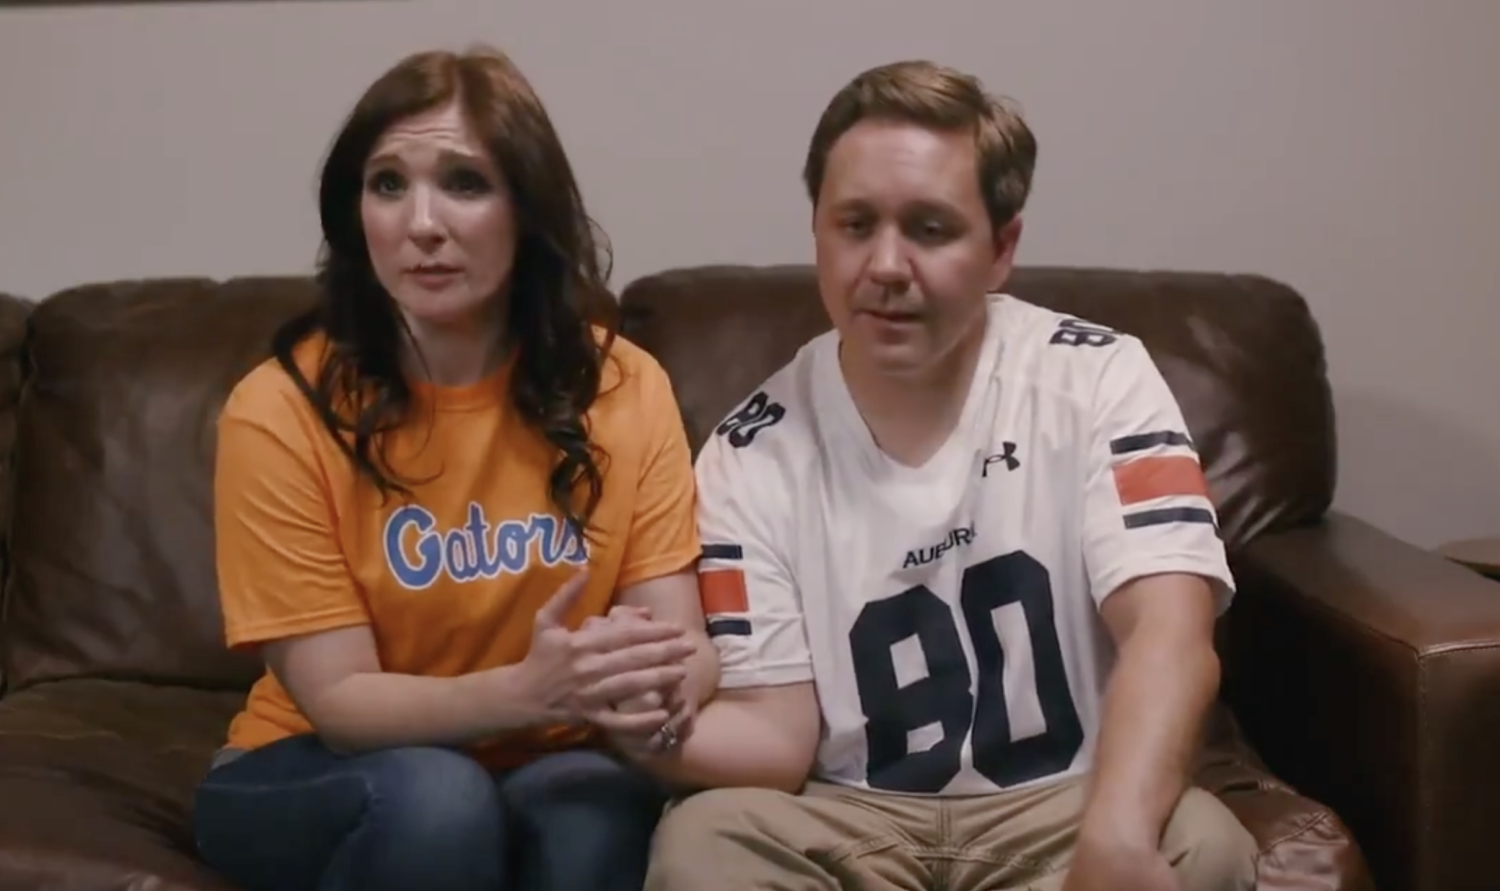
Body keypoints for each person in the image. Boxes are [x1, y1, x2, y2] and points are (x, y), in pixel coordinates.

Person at [633, 60, 1260, 891]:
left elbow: (1170, 632)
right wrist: (625, 723)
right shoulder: (748, 453)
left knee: (1204, 844)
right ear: (817, 231)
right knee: (703, 843)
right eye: (855, 224)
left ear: (1002, 249)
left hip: (1064, 803)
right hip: (847, 813)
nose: (887, 265)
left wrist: (1117, 833)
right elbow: (775, 731)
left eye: (929, 229)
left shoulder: (1102, 377)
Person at [191, 45, 716, 891]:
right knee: (442, 799)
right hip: (316, 762)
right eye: (387, 184)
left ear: (528, 208)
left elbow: (681, 640)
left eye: (465, 183)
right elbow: (341, 701)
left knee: (596, 808)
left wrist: (657, 692)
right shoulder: (279, 408)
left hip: (547, 757)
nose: (421, 223)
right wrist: (530, 690)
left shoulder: (624, 384)